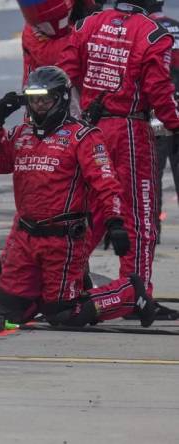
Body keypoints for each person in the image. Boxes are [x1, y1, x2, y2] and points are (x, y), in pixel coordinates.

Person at [0, 66, 157, 327]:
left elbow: (106, 182)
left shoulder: (82, 136)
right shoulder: (20, 134)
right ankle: (59, 294)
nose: (38, 106)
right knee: (11, 311)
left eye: (45, 99)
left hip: (63, 239)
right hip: (25, 237)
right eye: (33, 99)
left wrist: (114, 222)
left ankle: (129, 292)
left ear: (60, 100)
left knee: (61, 315)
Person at [58, 0, 179, 296]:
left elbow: (65, 75)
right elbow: (158, 91)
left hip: (89, 130)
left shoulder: (88, 24)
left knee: (94, 211)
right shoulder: (153, 33)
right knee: (139, 216)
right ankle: (134, 292)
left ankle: (63, 283)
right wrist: (175, 123)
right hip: (129, 130)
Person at [150, 0, 179, 243]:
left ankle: (152, 231)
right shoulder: (177, 26)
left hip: (155, 116)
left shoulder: (145, 31)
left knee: (151, 177)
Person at [20, 0, 103, 86]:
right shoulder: (31, 30)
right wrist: (89, 31)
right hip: (43, 89)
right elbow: (50, 56)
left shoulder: (83, 9)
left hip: (81, 83)